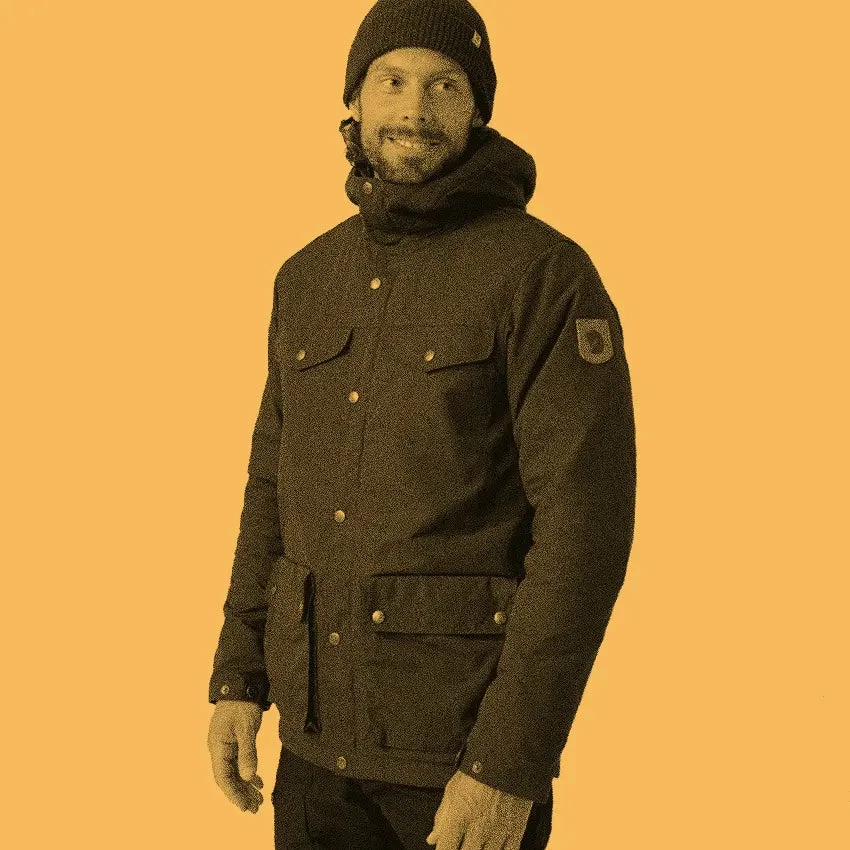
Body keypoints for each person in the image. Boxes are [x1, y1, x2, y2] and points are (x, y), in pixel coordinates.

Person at [206, 1, 636, 848]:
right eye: (392, 81)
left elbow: (585, 529)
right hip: (313, 757)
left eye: (444, 85)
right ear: (354, 101)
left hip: (459, 763)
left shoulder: (544, 275)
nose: (415, 108)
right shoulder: (307, 276)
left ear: (477, 108)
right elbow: (270, 488)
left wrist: (509, 764)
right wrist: (238, 677)